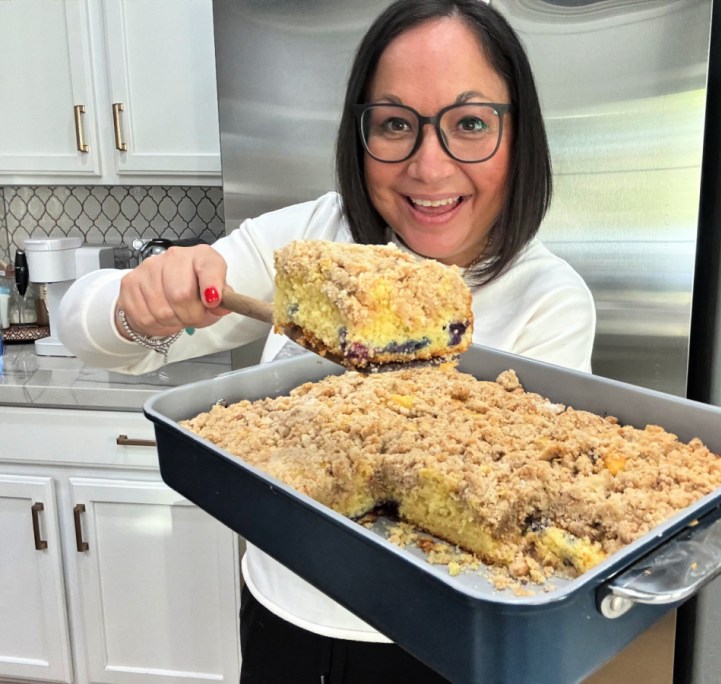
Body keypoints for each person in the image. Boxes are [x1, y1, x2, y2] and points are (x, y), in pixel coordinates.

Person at [59, 0, 596, 681]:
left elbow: (506, 515)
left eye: (468, 124)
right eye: (397, 124)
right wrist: (140, 305)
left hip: (438, 647)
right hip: (283, 620)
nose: (430, 168)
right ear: (361, 133)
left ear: (518, 136)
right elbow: (87, 327)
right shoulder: (308, 245)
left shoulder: (550, 300)